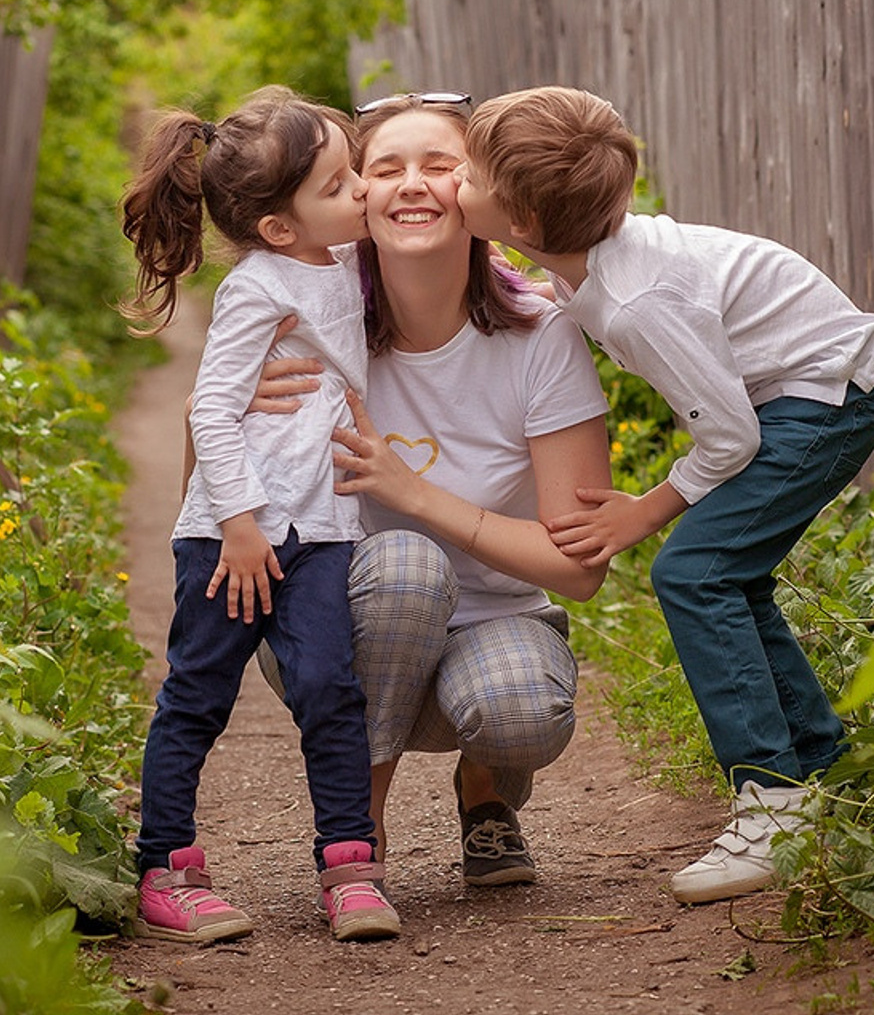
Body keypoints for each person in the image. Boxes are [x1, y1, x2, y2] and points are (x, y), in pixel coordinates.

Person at [456, 85, 874, 904]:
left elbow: (731, 438)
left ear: (520, 223)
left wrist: (644, 511)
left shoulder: (637, 300)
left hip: (823, 396)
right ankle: (823, 773)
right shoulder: (585, 263)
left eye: (469, 171)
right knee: (726, 575)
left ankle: (771, 805)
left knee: (692, 572)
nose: (455, 176)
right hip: (788, 393)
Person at [250, 91, 613, 887]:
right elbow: (223, 501)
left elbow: (581, 569)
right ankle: (358, 827)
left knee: (520, 710)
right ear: (356, 196)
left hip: (499, 621)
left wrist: (414, 493)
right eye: (386, 168)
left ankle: (486, 793)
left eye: (440, 166)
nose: (412, 184)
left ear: (482, 194)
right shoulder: (302, 323)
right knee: (408, 563)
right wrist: (207, 412)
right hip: (352, 630)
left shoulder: (540, 337)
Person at [119, 86, 400, 944]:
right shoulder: (258, 285)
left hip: (317, 533)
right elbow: (210, 409)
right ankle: (166, 867)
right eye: (340, 182)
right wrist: (238, 523)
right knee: (198, 697)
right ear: (279, 227)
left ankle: (350, 865)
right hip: (229, 536)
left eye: (356, 172)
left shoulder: (341, 258)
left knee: (328, 689)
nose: (360, 191)